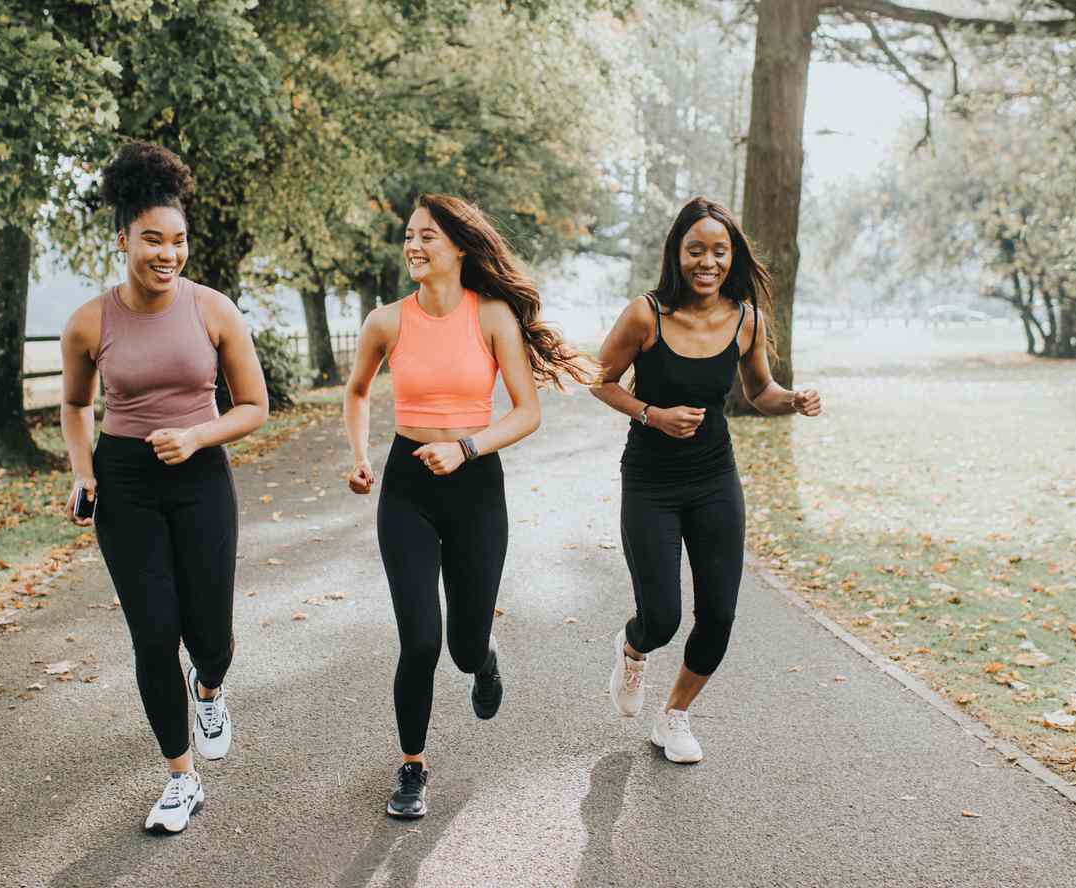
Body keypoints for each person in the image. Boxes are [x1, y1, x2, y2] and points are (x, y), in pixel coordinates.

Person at [343, 194, 590, 819]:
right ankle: (411, 767)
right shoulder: (387, 321)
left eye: (427, 236)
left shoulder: (494, 317)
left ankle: (484, 656)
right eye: (408, 236)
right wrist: (359, 456)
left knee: (462, 645)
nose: (414, 247)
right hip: (407, 490)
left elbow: (527, 411)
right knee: (420, 641)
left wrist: (466, 447)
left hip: (476, 487)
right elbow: (357, 391)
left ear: (458, 245)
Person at [59, 142, 269, 833]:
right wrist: (84, 472)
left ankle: (209, 688)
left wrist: (198, 437)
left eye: (178, 241)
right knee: (154, 635)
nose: (167, 254)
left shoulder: (213, 310)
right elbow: (75, 404)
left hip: (202, 477)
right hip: (127, 484)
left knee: (211, 637)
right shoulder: (90, 322)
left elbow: (254, 406)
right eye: (152, 239)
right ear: (123, 240)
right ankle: (181, 779)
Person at [590, 197, 821, 764]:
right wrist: (652, 414)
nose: (708, 261)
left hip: (715, 478)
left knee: (718, 612)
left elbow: (759, 390)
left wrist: (792, 400)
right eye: (696, 249)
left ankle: (674, 717)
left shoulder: (746, 318)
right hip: (650, 482)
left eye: (720, 251)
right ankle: (633, 647)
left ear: (732, 256)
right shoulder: (647, 314)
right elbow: (600, 380)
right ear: (678, 253)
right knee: (662, 616)